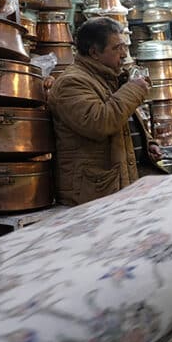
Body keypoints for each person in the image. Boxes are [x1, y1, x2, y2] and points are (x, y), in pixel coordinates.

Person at [49, 17, 162, 206]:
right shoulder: (71, 83)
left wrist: (145, 143)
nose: (125, 55)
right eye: (117, 48)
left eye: (125, 47)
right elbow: (100, 122)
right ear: (94, 52)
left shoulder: (108, 78)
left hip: (119, 185)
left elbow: (122, 120)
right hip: (95, 192)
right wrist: (133, 89)